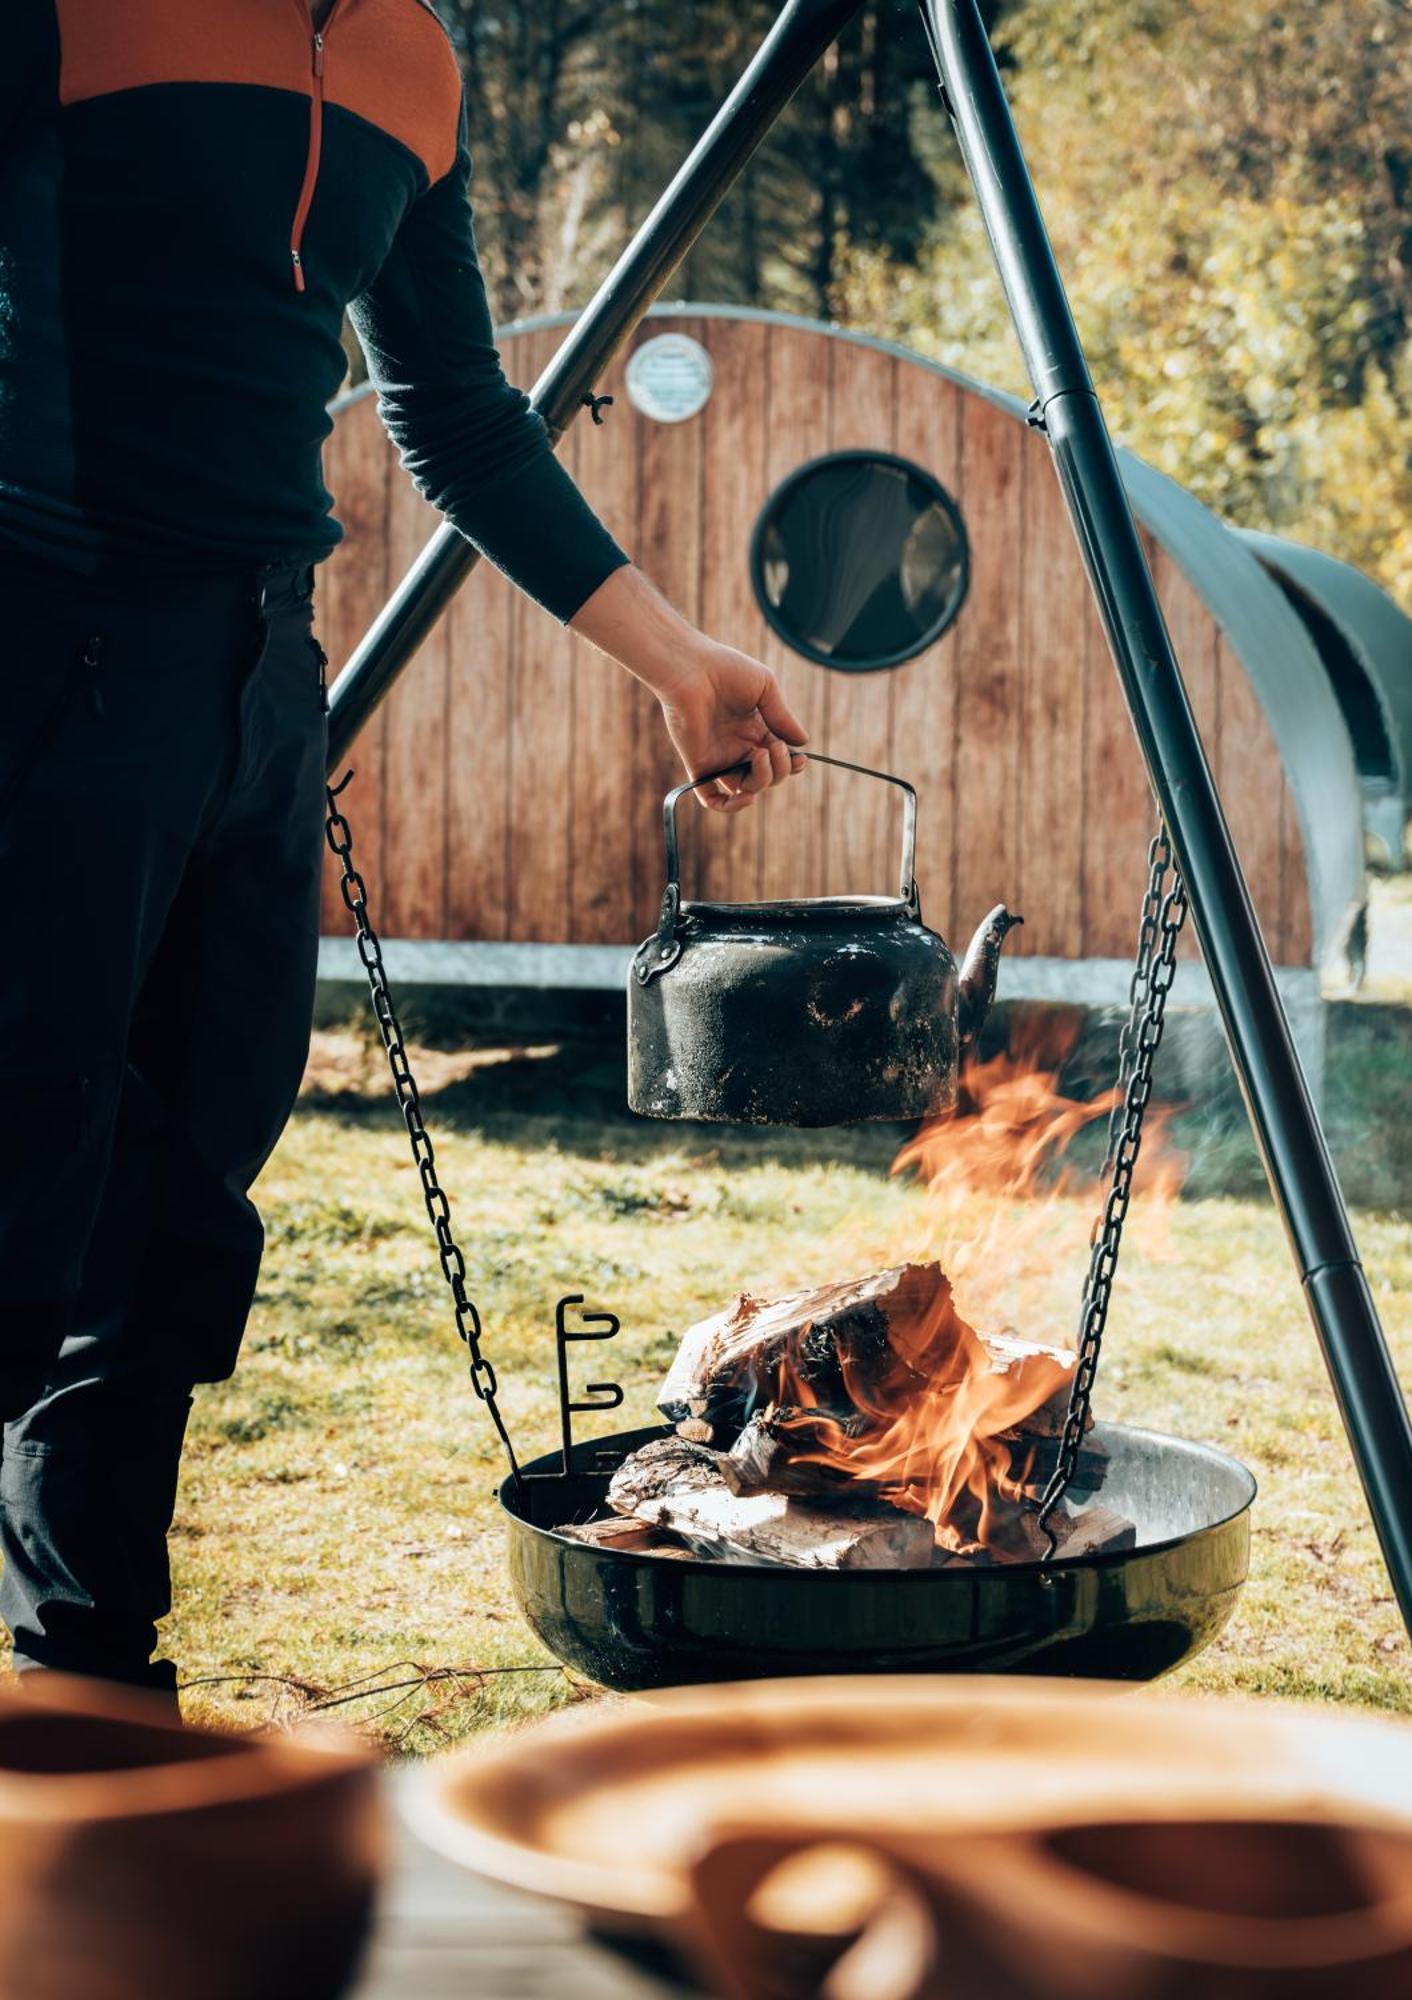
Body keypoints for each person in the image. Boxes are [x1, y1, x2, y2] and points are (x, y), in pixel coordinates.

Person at [0, 0, 808, 1698]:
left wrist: (680, 661)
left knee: (168, 1223)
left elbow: (449, 405)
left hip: (253, 686)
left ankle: (88, 1692)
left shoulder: (412, 57)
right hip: (39, 649)